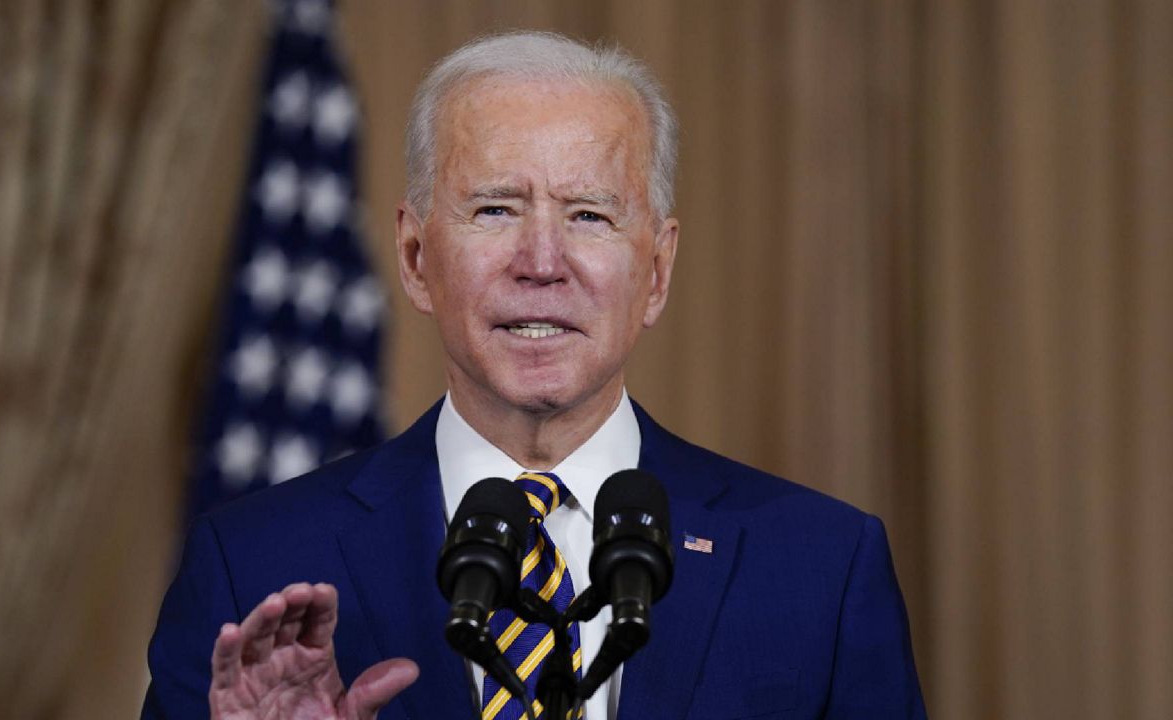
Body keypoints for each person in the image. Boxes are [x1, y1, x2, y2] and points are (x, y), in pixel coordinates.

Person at [142, 31, 926, 720]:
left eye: (589, 214)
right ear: (416, 260)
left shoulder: (821, 569)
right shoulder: (251, 569)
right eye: (494, 210)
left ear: (656, 271)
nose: (542, 263)